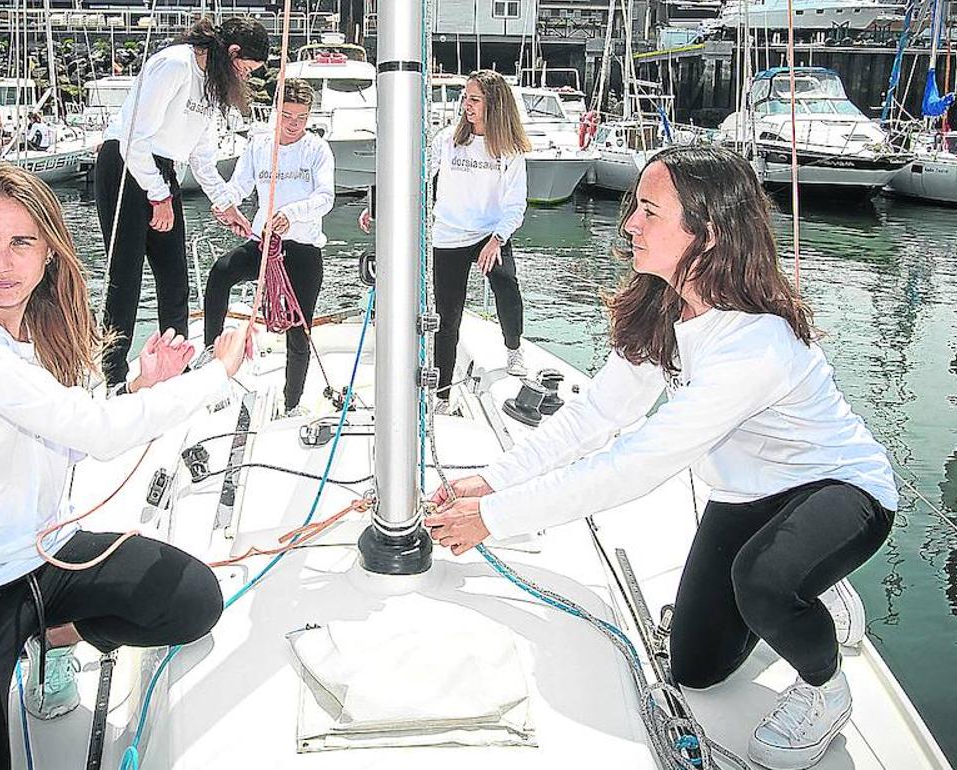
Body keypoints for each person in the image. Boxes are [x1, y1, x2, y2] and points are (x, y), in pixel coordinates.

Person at [424, 145, 897, 770]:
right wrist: (491, 481)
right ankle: (802, 582)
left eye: (650, 211)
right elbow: (599, 416)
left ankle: (825, 686)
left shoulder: (755, 345)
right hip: (746, 496)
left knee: (764, 581)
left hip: (838, 488)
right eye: (635, 209)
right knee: (694, 670)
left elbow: (637, 465)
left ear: (709, 232)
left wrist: (497, 518)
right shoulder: (666, 308)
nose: (630, 226)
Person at [0, 163, 254, 769]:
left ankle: (56, 635)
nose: (1, 263)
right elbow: (94, 434)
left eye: (20, 243)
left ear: (48, 251)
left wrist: (138, 390)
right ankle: (29, 638)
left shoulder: (32, 327)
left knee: (193, 601)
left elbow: (71, 433)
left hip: (45, 555)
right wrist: (216, 374)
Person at [95, 15, 269, 392]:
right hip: (125, 165)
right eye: (247, 69)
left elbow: (201, 158)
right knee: (125, 279)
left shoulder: (212, 86)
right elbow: (133, 138)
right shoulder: (175, 64)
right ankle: (113, 376)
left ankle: (175, 365)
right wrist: (159, 195)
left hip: (162, 170)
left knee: (175, 280)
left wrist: (226, 205)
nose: (246, 78)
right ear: (233, 52)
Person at [359, 69, 530, 412]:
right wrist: (376, 208)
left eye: (474, 99)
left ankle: (513, 349)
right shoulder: (447, 141)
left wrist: (497, 240)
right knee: (447, 317)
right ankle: (442, 395)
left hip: (489, 235)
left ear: (493, 104)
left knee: (507, 286)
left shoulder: (510, 151)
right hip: (449, 235)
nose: (466, 105)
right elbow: (414, 177)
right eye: (465, 97)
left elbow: (516, 204)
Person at [201, 78, 334, 417]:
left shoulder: (316, 149)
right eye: (287, 116)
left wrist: (292, 214)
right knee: (220, 273)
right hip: (263, 244)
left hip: (302, 249)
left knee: (298, 329)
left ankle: (291, 403)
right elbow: (241, 186)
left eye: (301, 118)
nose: (293, 124)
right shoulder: (259, 145)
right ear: (276, 111)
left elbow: (325, 198)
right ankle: (209, 349)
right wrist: (223, 203)